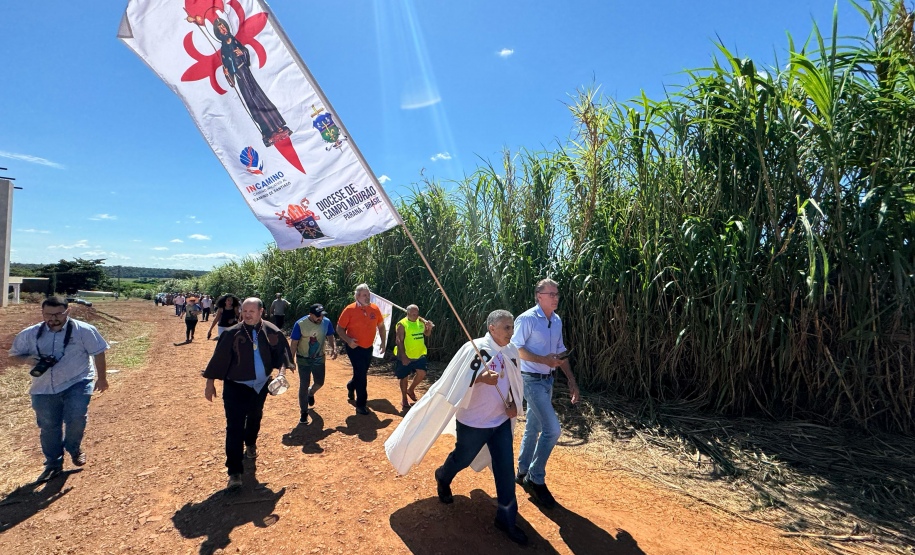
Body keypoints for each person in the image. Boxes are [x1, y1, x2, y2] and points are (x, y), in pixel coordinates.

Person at [384, 310, 527, 545]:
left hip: (500, 420)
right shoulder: (475, 348)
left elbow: (514, 381)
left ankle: (506, 518)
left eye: (512, 327)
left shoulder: (511, 351)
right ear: (492, 329)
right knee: (462, 457)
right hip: (473, 421)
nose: (511, 333)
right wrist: (480, 378)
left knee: (505, 469)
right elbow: (455, 383)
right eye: (507, 328)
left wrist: (514, 404)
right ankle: (443, 475)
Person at [8, 297, 111, 482]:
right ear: (42, 313)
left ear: (67, 311)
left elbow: (99, 352)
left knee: (76, 417)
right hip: (43, 387)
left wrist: (102, 378)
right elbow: (14, 356)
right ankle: (54, 463)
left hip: (78, 381)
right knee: (48, 426)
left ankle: (73, 448)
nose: (53, 318)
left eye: (58, 314)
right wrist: (28, 360)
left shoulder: (84, 330)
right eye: (48, 314)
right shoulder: (30, 333)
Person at [203, 298, 291, 491]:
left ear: (261, 311)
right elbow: (218, 360)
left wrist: (281, 374)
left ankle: (250, 443)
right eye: (244, 311)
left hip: (260, 386)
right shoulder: (231, 333)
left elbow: (282, 355)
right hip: (236, 386)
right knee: (234, 427)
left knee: (254, 417)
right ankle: (234, 472)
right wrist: (210, 383)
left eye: (252, 310)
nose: (248, 314)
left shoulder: (271, 331)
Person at [512, 278, 580, 509]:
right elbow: (516, 349)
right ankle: (535, 477)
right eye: (551, 293)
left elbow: (560, 351)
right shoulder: (527, 319)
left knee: (534, 427)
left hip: (548, 381)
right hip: (530, 380)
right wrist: (543, 360)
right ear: (538, 296)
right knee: (552, 429)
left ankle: (521, 472)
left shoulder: (557, 320)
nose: (555, 297)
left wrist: (571, 379)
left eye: (557, 293)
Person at [336, 284, 385, 416]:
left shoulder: (374, 309)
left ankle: (351, 385)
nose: (367, 297)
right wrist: (349, 341)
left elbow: (381, 326)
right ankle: (361, 404)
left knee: (361, 372)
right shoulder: (349, 310)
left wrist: (383, 342)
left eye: (368, 295)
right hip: (354, 347)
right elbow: (339, 329)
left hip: (368, 347)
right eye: (364, 295)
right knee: (361, 374)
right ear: (357, 296)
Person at [288, 304, 337, 424]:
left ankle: (311, 392)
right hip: (303, 359)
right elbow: (294, 343)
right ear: (310, 314)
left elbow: (330, 335)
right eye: (317, 316)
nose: (320, 318)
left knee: (320, 382)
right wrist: (290, 360)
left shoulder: (326, 322)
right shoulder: (300, 324)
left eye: (321, 315)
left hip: (319, 358)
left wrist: (333, 348)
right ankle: (304, 412)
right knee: (304, 384)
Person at [394, 304, 433, 411]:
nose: (415, 316)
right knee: (404, 377)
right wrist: (403, 356)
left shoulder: (420, 322)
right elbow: (399, 341)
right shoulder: (402, 324)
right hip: (406, 355)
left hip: (419, 354)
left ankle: (410, 390)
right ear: (408, 313)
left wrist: (428, 328)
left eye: (417, 314)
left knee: (422, 373)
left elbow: (426, 334)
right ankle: (404, 399)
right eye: (413, 314)